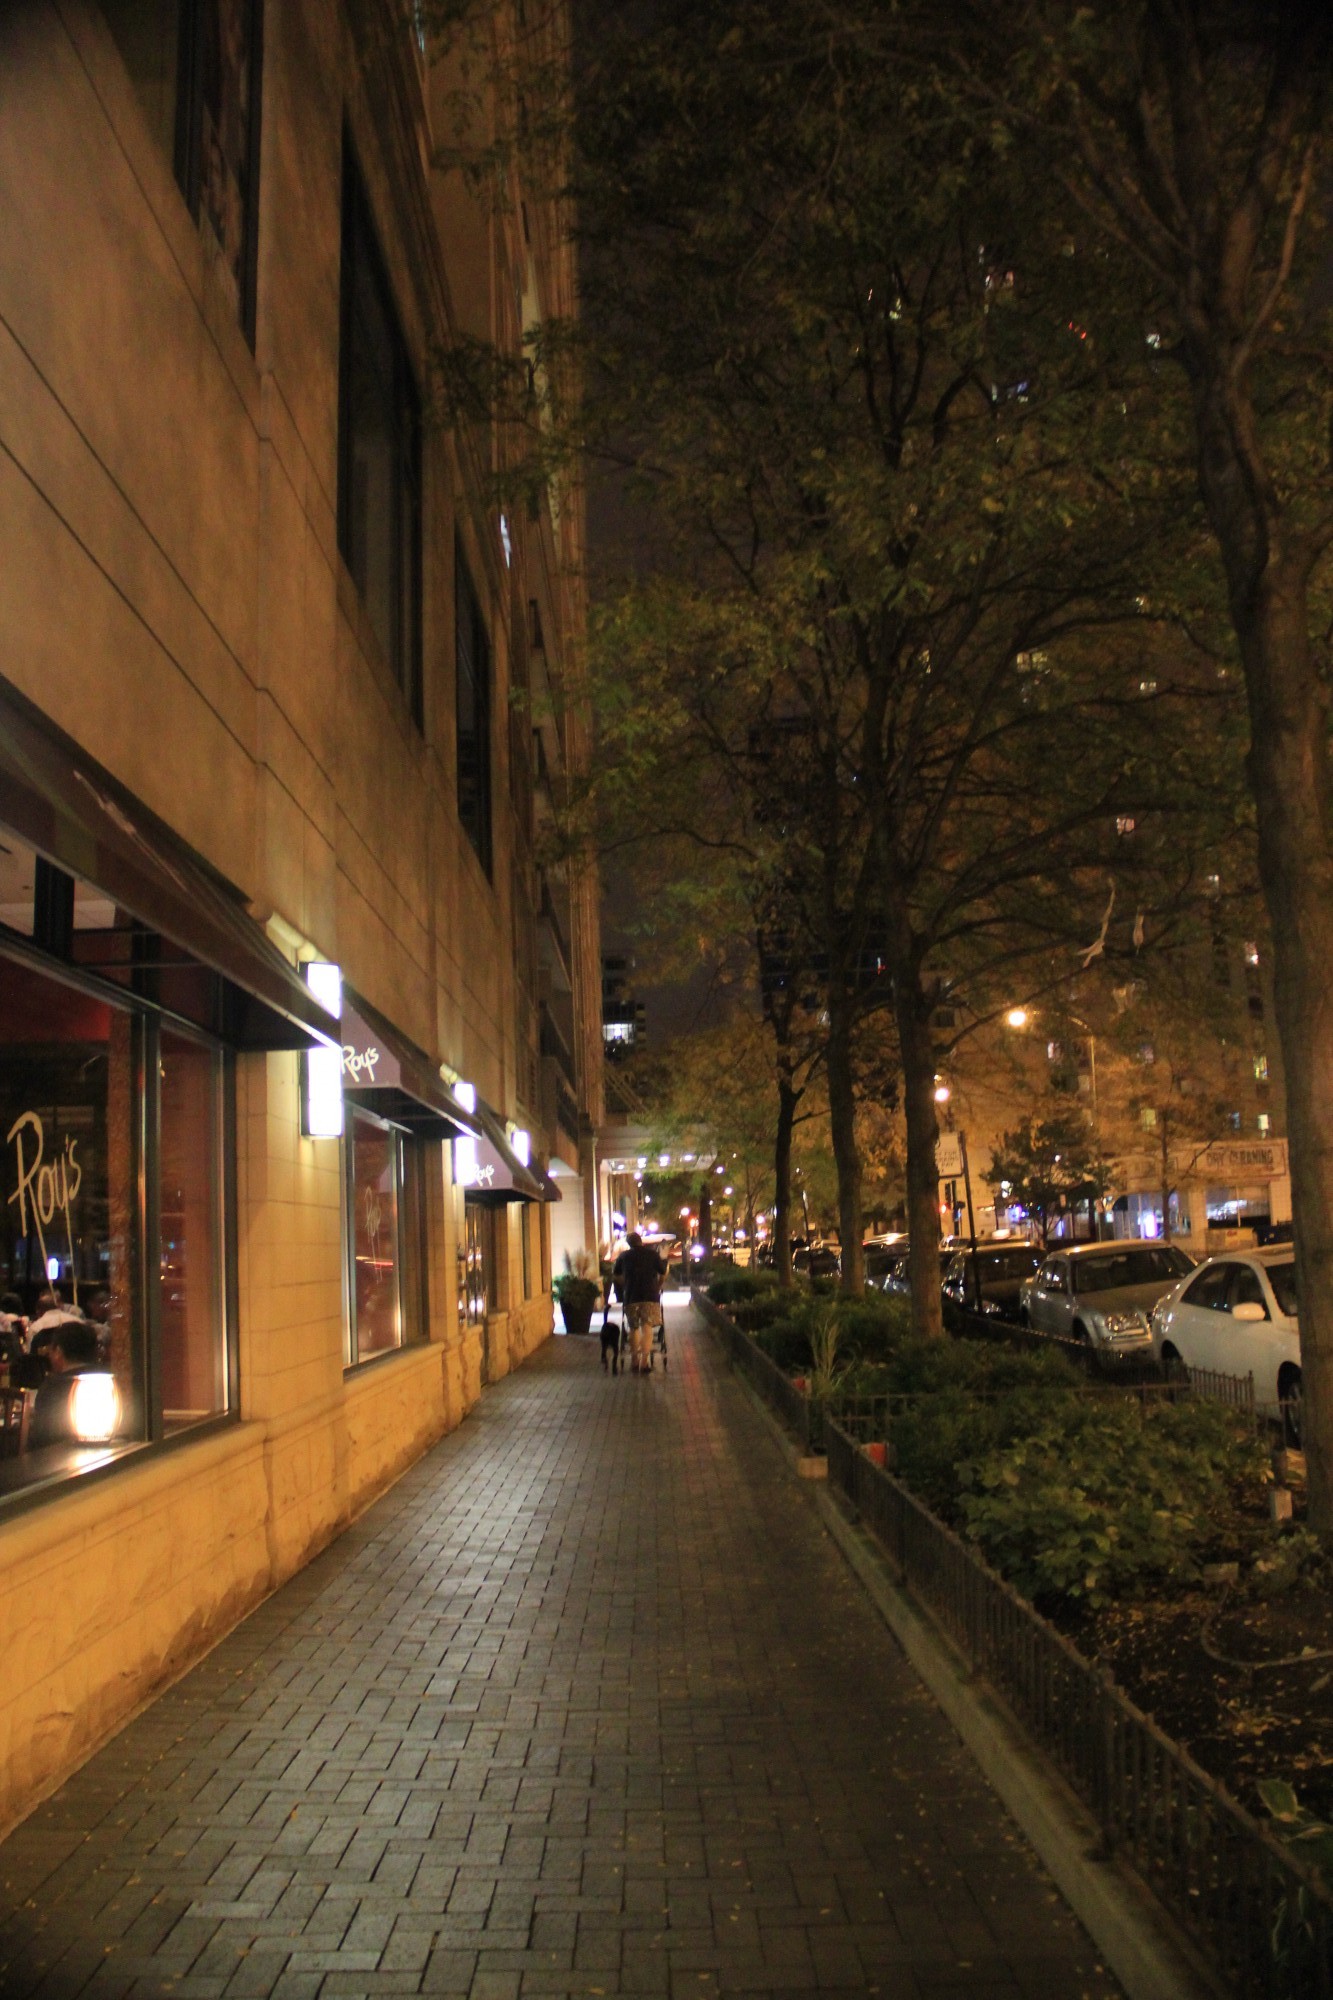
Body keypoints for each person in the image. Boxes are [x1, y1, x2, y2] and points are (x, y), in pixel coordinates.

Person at [620, 1230, 667, 1374]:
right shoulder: (652, 1255)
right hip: (650, 1297)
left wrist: (625, 1286)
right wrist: (658, 1285)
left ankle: (634, 1360)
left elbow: (616, 1275)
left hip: (631, 1297)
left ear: (629, 1244)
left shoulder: (624, 1256)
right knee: (647, 1327)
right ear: (641, 1241)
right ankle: (644, 1362)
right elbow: (663, 1272)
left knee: (633, 1328)